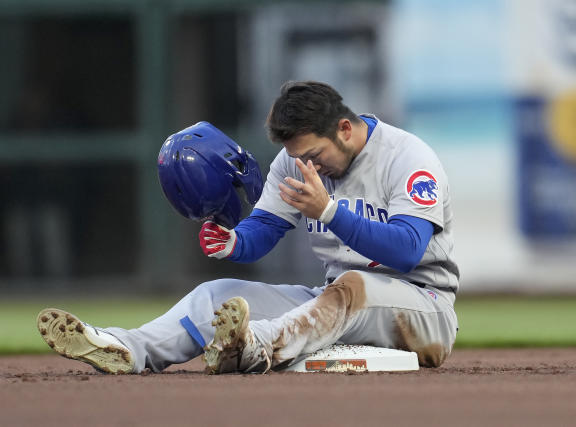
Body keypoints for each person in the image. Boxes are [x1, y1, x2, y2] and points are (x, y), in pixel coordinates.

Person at [37, 81, 459, 375]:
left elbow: (406, 249)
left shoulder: (407, 158)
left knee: (349, 287)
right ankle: (127, 348)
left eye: (314, 153)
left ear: (344, 128)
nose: (307, 165)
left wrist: (329, 211)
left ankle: (252, 344)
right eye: (298, 156)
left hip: (424, 305)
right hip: (339, 300)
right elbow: (266, 228)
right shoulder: (295, 160)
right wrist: (235, 241)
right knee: (217, 294)